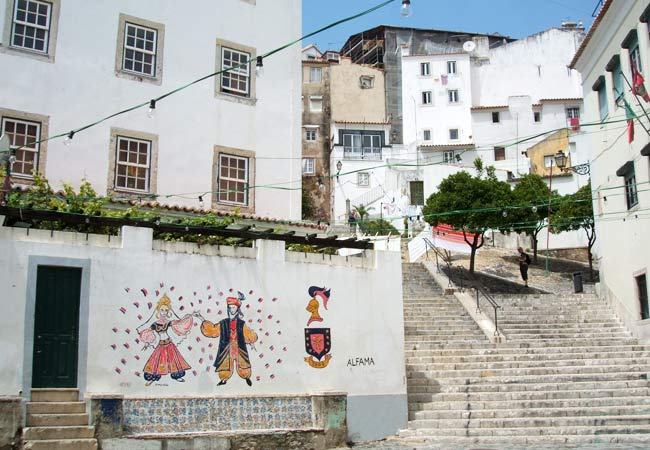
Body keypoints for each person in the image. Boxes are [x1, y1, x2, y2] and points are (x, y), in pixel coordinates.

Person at [199, 291, 258, 386]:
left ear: (238, 308)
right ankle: (223, 380)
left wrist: (251, 341)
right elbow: (213, 330)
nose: (231, 310)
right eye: (230, 308)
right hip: (226, 348)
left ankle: (247, 377)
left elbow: (248, 334)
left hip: (239, 348)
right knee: (225, 365)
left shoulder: (241, 323)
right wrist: (202, 319)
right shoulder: (223, 323)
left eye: (233, 308)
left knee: (243, 364)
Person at [137, 294, 194, 386]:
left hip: (169, 343)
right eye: (162, 310)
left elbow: (180, 323)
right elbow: (149, 333)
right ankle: (153, 378)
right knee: (157, 362)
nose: (164, 312)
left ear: (168, 311)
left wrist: (190, 315)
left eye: (166, 310)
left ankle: (176, 376)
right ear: (158, 310)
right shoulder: (155, 324)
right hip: (161, 344)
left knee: (174, 361)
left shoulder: (168, 322)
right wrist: (147, 343)